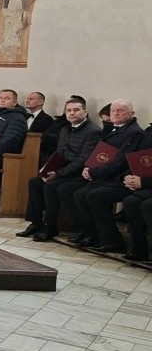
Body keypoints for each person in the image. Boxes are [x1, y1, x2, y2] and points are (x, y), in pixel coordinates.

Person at [57, 100, 142, 249]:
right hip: (106, 176)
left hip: (120, 179)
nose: (116, 113)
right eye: (113, 110)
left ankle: (112, 240)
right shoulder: (116, 129)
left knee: (93, 195)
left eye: (121, 110)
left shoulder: (133, 132)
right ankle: (91, 234)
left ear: (132, 113)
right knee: (80, 194)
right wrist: (89, 168)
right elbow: (100, 154)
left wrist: (94, 172)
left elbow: (121, 162)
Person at [15, 98, 99, 241]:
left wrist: (59, 173)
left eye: (76, 110)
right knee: (35, 182)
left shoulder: (93, 131)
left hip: (79, 173)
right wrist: (48, 170)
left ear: (85, 112)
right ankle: (36, 223)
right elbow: (59, 153)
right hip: (64, 169)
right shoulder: (65, 129)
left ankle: (50, 227)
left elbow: (83, 159)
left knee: (51, 186)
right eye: (68, 110)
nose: (72, 113)